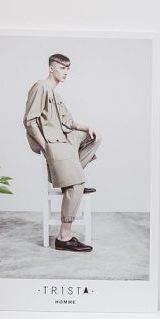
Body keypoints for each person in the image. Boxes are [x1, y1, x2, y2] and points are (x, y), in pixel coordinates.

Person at [23, 53, 101, 252]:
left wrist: (88, 127)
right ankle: (64, 237)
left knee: (95, 137)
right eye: (62, 68)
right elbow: (30, 121)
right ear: (51, 68)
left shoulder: (56, 95)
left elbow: (68, 122)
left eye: (68, 68)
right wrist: (45, 146)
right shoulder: (40, 87)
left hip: (64, 140)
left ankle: (71, 177)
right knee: (78, 184)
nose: (66, 72)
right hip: (54, 144)